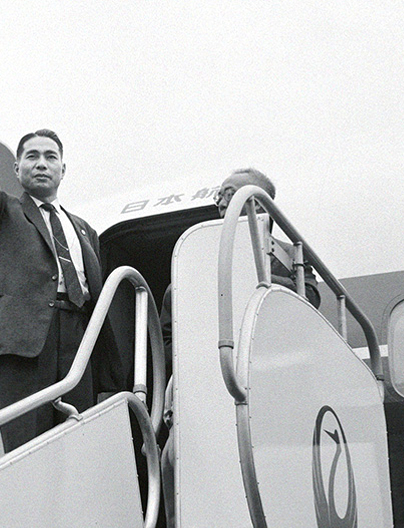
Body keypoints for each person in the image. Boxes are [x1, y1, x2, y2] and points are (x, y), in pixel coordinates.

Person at [0, 76, 120, 452]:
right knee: (27, 448)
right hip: (24, 346)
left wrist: (108, 373)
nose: (42, 164)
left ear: (63, 169)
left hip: (78, 341)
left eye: (50, 157)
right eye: (32, 156)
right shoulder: (3, 213)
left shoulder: (85, 230)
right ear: (17, 168)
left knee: (78, 446)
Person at [159, 167, 321, 526]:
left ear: (259, 199)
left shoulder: (286, 252)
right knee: (172, 464)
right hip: (204, 385)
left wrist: (251, 277)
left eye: (229, 192)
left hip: (266, 387)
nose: (219, 199)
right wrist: (175, 381)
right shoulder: (195, 258)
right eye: (218, 193)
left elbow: (309, 295)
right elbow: (171, 336)